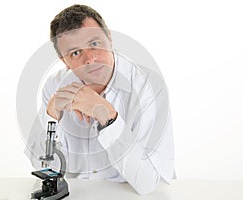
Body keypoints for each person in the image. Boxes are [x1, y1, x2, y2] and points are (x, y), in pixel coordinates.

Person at [25, 4, 175, 195]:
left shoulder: (149, 86)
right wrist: (51, 113)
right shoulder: (55, 87)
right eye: (75, 53)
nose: (90, 59)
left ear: (110, 39)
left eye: (95, 44)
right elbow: (45, 167)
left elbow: (147, 183)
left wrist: (105, 114)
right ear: (64, 61)